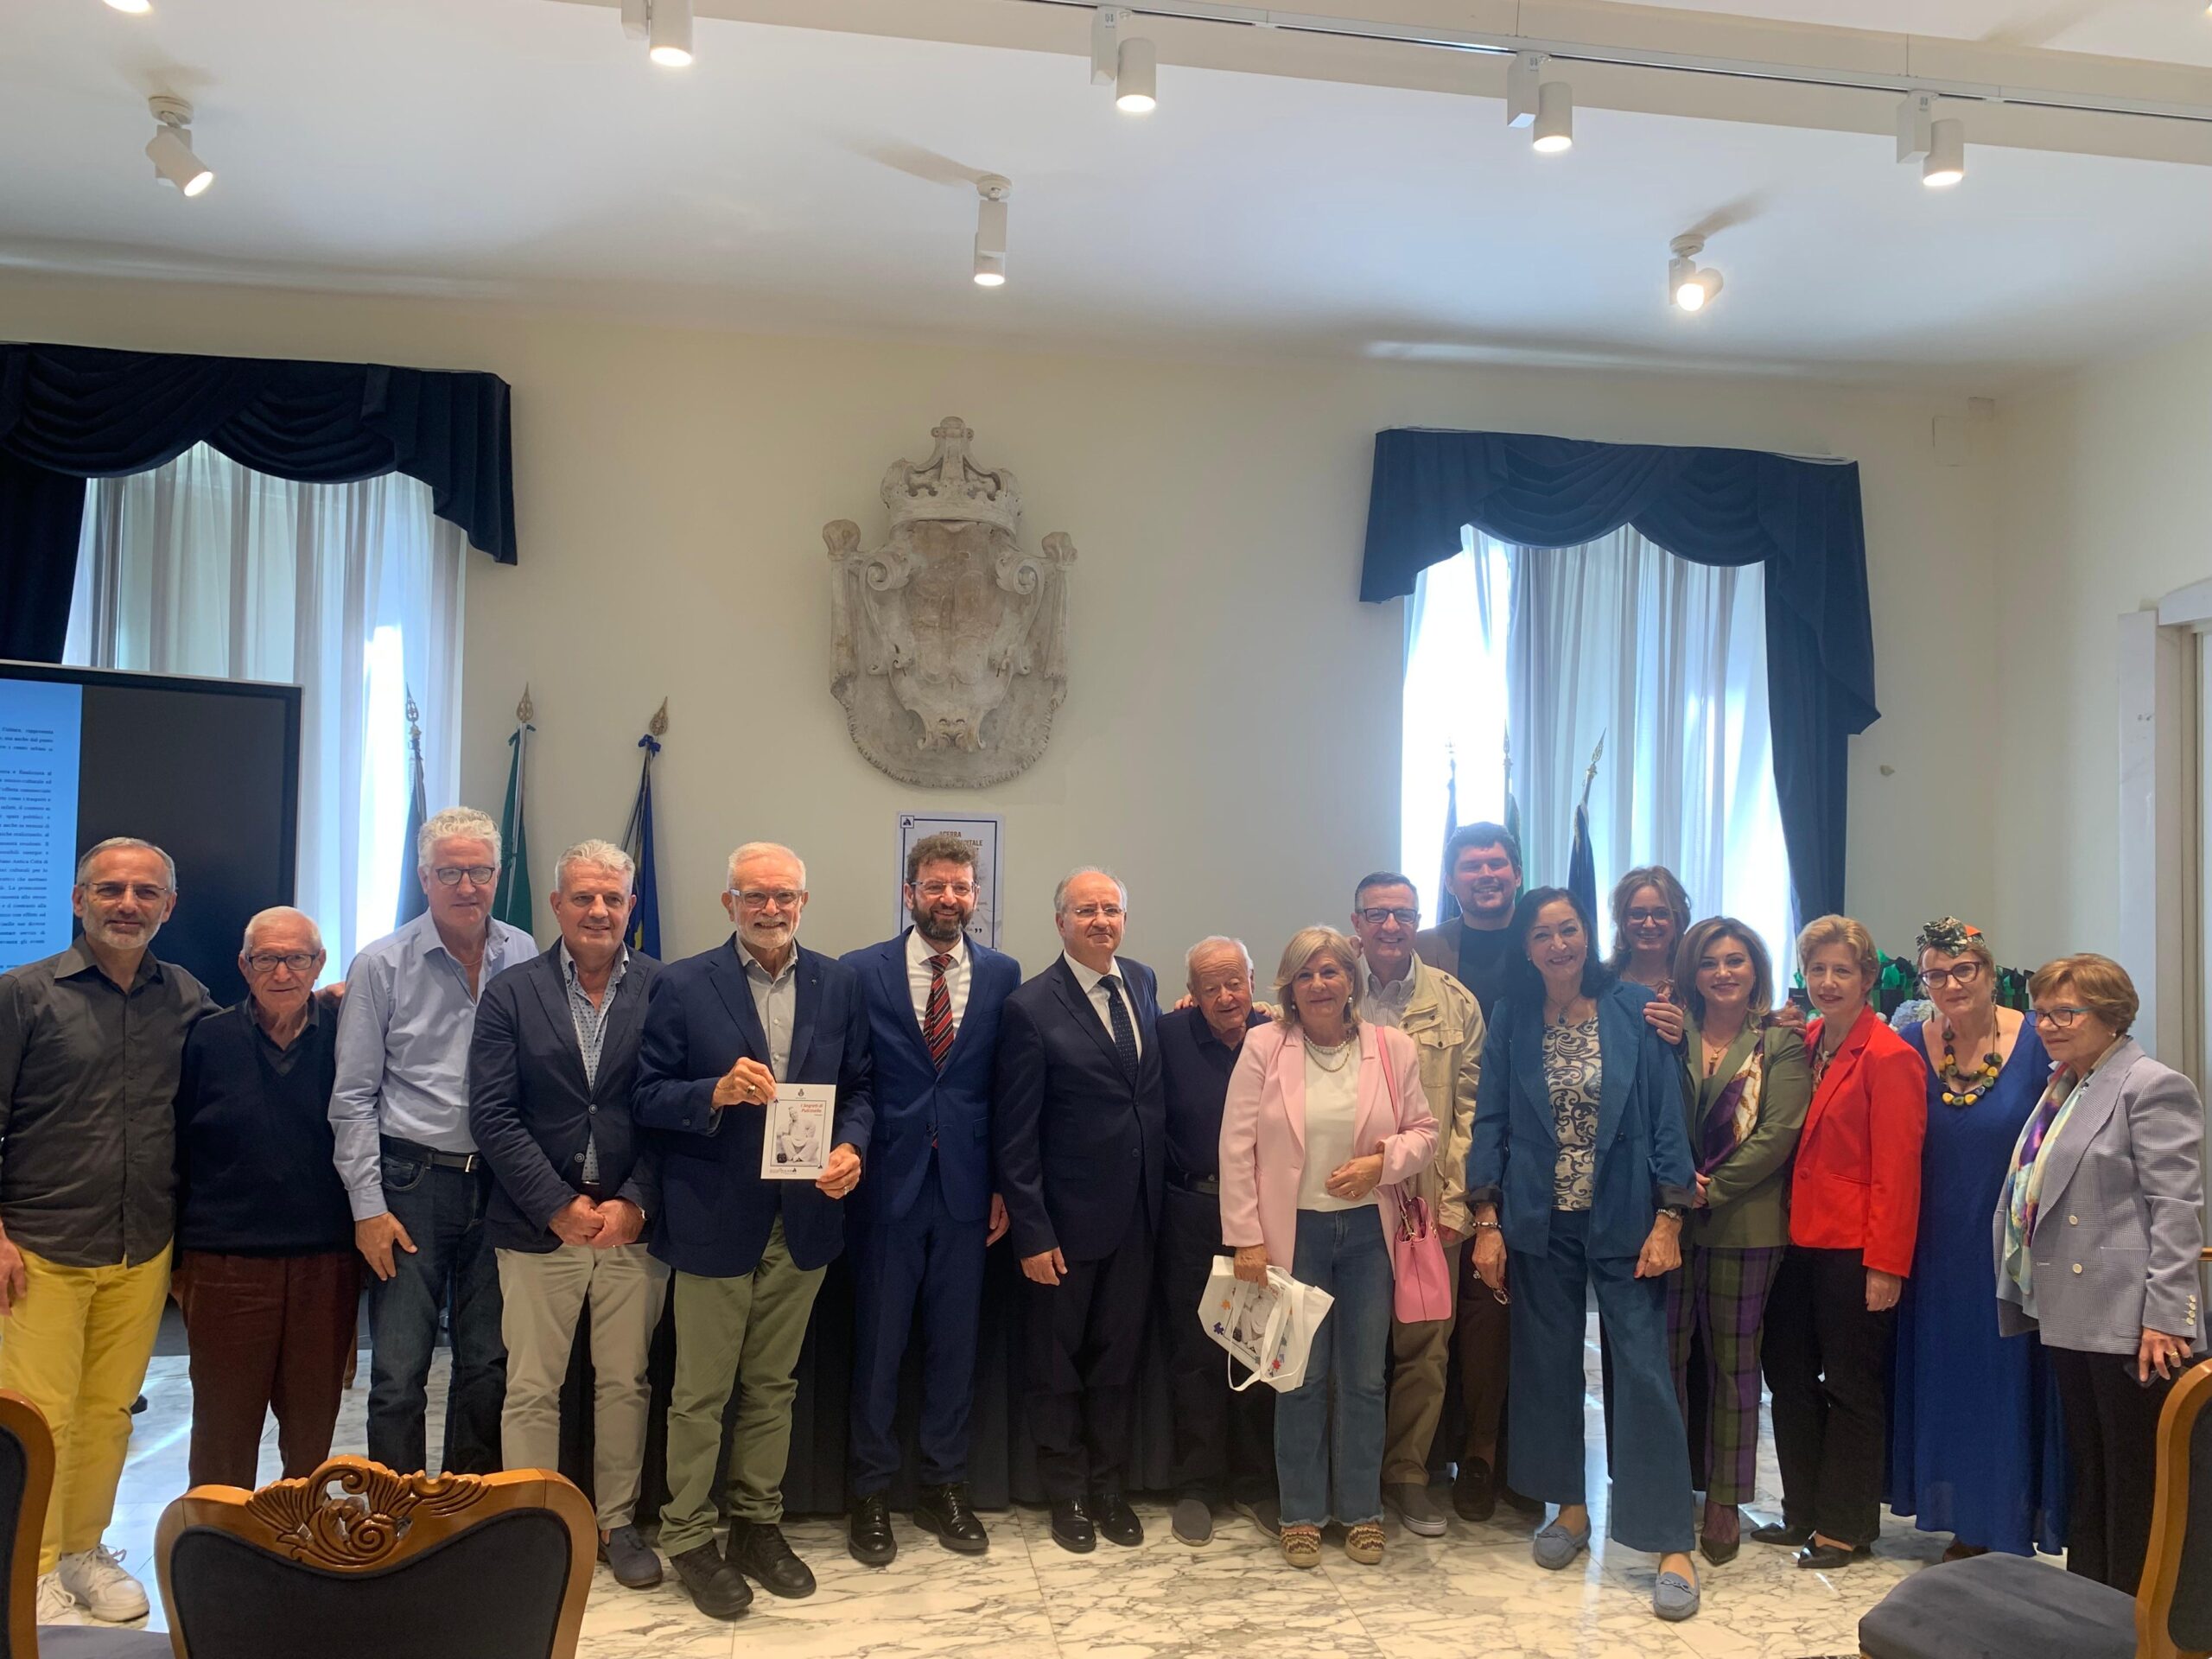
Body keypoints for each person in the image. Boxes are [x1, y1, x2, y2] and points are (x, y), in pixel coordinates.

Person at [634, 842, 874, 1619]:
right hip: (713, 1216)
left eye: (785, 896)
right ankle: (688, 1534)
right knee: (700, 1393)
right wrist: (712, 1091)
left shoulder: (838, 984)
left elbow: (861, 1089)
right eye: (755, 895)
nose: (771, 909)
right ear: (728, 902)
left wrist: (852, 1147)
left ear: (804, 902)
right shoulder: (681, 983)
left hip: (804, 1218)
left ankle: (755, 1525)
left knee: (774, 1386)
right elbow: (646, 1094)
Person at [1467, 887, 1701, 1622]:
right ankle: (1569, 1508)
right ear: (1527, 948)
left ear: (1587, 934)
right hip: (1540, 1220)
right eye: (1543, 934)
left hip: (1626, 1216)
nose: (1559, 945)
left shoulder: (1635, 1008)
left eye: (1569, 930)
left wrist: (1670, 1215)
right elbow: (1491, 1119)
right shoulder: (1512, 1016)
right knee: (1545, 1367)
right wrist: (1487, 1218)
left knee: (1643, 1372)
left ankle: (1670, 1542)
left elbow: (1666, 1117)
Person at [0, 837, 214, 1626]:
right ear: (78, 899)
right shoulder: (22, 995)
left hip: (141, 1245)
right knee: (38, 1416)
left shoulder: (185, 996)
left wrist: (321, 1001)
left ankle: (83, 1552)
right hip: (40, 1245)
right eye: (111, 889)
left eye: (145, 892)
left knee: (107, 1413)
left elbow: (241, 1055)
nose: (128, 904)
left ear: (169, 906)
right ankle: (28, 1565)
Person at [467, 840, 666, 1591]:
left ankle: (616, 1523)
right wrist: (555, 1206)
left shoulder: (664, 988)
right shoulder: (511, 992)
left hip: (630, 1228)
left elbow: (672, 1114)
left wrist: (635, 1202)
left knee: (625, 1382)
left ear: (631, 906)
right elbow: (492, 1114)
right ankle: (534, 1529)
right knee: (531, 1386)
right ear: (556, 905)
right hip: (535, 1226)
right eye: (583, 897)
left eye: (613, 898)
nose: (598, 910)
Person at [1219, 927, 1438, 1571]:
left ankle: (1362, 1511)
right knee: (1300, 1378)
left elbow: (1425, 1133)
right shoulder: (1265, 1045)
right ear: (1289, 986)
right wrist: (1246, 1237)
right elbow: (1236, 1146)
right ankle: (1301, 1514)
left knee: (1365, 1380)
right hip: (1294, 1237)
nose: (1319, 984)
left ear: (1352, 980)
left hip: (1369, 1235)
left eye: (1331, 972)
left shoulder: (1391, 1047)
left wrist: (1382, 1164)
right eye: (1305, 974)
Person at [330, 806, 536, 1478]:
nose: (467, 886)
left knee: (487, 1364)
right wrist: (367, 1208)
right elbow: (353, 1097)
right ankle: (396, 1514)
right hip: (410, 1186)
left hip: (500, 1184)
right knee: (398, 1370)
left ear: (497, 875)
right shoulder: (381, 964)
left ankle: (467, 1509)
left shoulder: (525, 952)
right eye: (450, 872)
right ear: (424, 878)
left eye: (480, 871)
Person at [1995, 953, 2204, 1596]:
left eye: (2066, 1013)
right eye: (2041, 1013)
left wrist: (2166, 1316)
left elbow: (2177, 1210)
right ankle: (2090, 1604)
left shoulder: (2152, 1085)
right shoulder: (2066, 1086)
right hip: (2071, 1308)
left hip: (2132, 1322)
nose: (2048, 1025)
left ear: (2112, 1016)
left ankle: (2139, 1616)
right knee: (2091, 1470)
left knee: (2134, 1479)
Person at [839, 832, 1019, 1567]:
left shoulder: (1004, 974)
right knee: (879, 1348)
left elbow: (1009, 1089)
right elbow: (853, 1077)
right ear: (910, 892)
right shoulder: (861, 971)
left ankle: (944, 1485)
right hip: (886, 1187)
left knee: (955, 1346)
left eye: (962, 887)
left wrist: (1004, 1182)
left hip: (969, 1192)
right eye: (935, 886)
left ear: (976, 896)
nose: (949, 899)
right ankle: (870, 1493)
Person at [993, 868, 1164, 1555]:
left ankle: (1108, 1488)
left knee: (1118, 1363)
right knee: (1057, 1367)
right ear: (1061, 922)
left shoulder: (1143, 982)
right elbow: (1015, 1134)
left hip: (1139, 1218)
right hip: (1063, 1226)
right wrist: (1032, 1232)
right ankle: (1065, 1492)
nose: (1101, 921)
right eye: (1086, 910)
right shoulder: (1030, 1006)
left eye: (1111, 909)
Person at [1888, 918, 2065, 1562]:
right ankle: (1961, 1514)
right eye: (1936, 975)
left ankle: (2004, 1519)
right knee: (1949, 1379)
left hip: (2012, 1248)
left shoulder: (2038, 1042)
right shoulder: (1909, 1044)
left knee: (2005, 1380)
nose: (1952, 984)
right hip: (1933, 1247)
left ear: (1990, 973)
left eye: (1965, 970)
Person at [1756, 914, 1927, 1569]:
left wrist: (1886, 1265)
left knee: (1851, 1385)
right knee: (1788, 1375)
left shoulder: (1890, 1056)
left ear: (1867, 978)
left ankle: (1846, 1526)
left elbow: (1899, 1171)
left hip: (1855, 1248)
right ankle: (1802, 1508)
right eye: (1817, 969)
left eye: (1842, 971)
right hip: (1795, 1239)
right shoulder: (1805, 1041)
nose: (1828, 982)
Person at [172, 906, 359, 1493]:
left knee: (311, 1430)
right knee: (222, 1431)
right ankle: (217, 1537)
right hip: (226, 1265)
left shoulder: (349, 1038)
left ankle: (299, 1537)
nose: (282, 973)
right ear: (243, 965)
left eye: (296, 958)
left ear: (319, 963)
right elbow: (176, 1151)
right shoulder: (207, 1039)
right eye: (266, 959)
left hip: (325, 1264)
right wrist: (177, 1262)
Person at [1666, 916, 1810, 1565]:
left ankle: (1725, 1499)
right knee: (1666, 1361)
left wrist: (1710, 1190)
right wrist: (1676, 1191)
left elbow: (1779, 1133)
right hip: (1666, 1222)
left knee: (1733, 1365)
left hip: (1745, 1223)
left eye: (1735, 960)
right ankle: (1668, 1486)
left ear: (1756, 969)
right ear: (1691, 973)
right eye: (1709, 962)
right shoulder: (1672, 1033)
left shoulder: (1780, 1043)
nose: (1723, 972)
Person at [1348, 874, 1485, 1538]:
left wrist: (1457, 1203)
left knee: (1425, 1346)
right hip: (1343, 1202)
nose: (1391, 926)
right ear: (1357, 921)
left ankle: (1406, 1472)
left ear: (1419, 919)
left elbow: (1469, 1114)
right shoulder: (1328, 988)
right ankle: (1347, 1474)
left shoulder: (1454, 1004)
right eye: (1377, 914)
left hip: (1425, 1208)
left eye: (1403, 914)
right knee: (1345, 1344)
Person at [1412, 821, 1522, 1517]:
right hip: (1444, 1160)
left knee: (1499, 1320)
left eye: (1498, 863)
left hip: (1528, 1159)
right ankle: (1432, 1450)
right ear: (1451, 880)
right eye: (1472, 865)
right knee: (1434, 1316)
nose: (1486, 875)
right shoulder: (1422, 948)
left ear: (1517, 874)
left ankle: (1495, 1457)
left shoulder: (1545, 941)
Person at [1154, 936, 1276, 1548]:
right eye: (1210, 988)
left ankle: (1255, 1483)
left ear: (1253, 980)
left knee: (1259, 1348)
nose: (1226, 996)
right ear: (1192, 994)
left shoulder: (1280, 1036)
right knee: (1196, 1350)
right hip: (1192, 1212)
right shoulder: (1168, 1036)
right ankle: (1197, 1484)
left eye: (1236, 982)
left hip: (1266, 1215)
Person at [1606, 867, 1690, 1048]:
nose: (1649, 924)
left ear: (1679, 919)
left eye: (1662, 914)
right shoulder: (1601, 981)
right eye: (1637, 914)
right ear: (1621, 920)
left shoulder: (1695, 983)